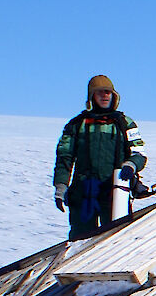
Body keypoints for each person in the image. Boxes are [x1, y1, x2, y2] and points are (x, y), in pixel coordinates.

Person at [53, 75, 148, 238]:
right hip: (83, 193)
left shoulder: (125, 123)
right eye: (99, 92)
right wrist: (61, 186)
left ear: (114, 96)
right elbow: (64, 156)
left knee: (117, 239)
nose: (104, 96)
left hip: (114, 191)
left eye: (108, 92)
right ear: (91, 96)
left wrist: (130, 165)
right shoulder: (76, 125)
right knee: (80, 241)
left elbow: (139, 153)